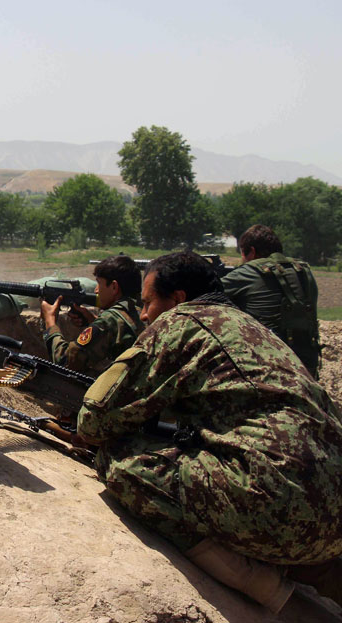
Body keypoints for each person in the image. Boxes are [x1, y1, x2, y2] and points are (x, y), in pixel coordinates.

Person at [77, 251, 342, 613]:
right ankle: (319, 570)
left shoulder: (181, 321)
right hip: (333, 511)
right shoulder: (250, 327)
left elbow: (92, 422)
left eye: (148, 302)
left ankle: (274, 593)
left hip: (285, 501)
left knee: (121, 463)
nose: (142, 315)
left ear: (179, 299)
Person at [221, 224, 320, 378]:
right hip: (307, 365)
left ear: (252, 252)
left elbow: (205, 293)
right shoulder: (304, 271)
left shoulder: (249, 272)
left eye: (243, 255)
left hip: (268, 366)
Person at [40, 255, 144, 376]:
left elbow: (65, 361)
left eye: (99, 283)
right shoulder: (142, 310)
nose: (96, 290)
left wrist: (50, 323)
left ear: (114, 287)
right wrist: (93, 321)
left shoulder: (109, 320)